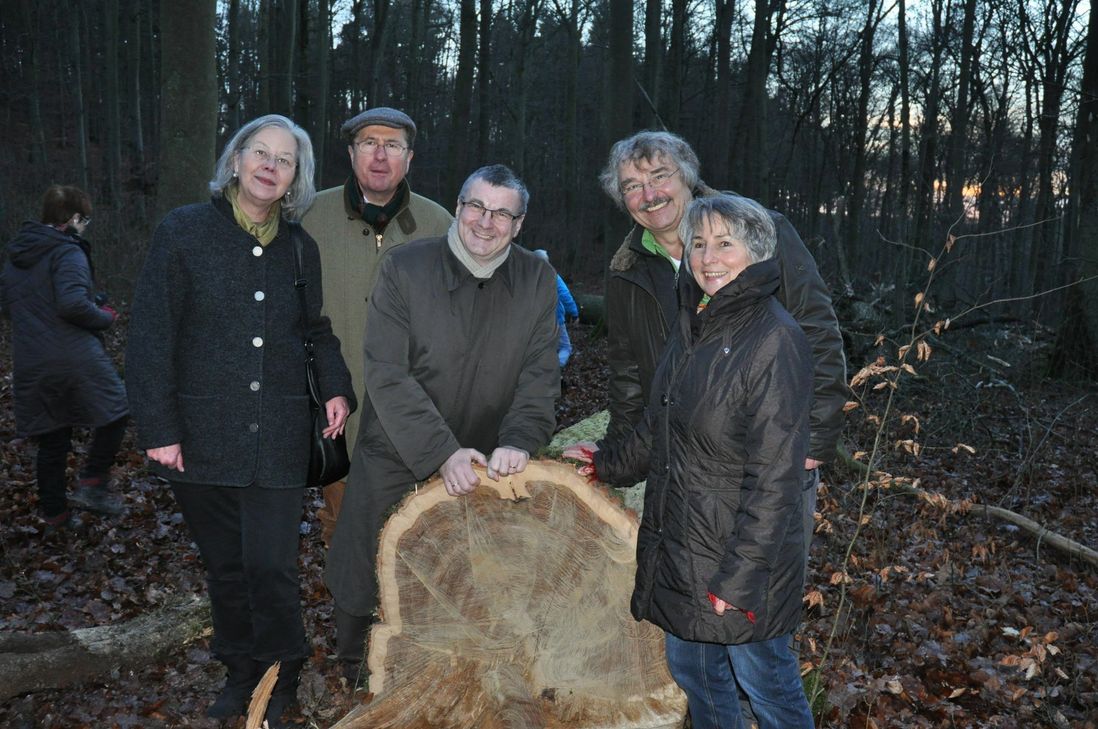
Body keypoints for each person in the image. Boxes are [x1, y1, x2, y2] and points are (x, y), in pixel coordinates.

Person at [125, 115, 355, 728]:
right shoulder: (183, 233)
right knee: (225, 565)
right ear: (234, 161)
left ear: (294, 179)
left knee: (272, 567)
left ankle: (282, 673)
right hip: (201, 437)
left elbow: (315, 331)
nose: (270, 165)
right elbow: (150, 338)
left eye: (285, 159)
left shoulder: (300, 247)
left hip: (279, 436)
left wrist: (336, 388)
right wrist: (159, 429)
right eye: (260, 152)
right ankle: (239, 668)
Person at [565, 194, 816, 728]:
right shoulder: (694, 325)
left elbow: (776, 482)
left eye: (726, 244)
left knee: (766, 684)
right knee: (694, 671)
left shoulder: (774, 340)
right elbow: (661, 426)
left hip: (740, 559)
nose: (708, 257)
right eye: (699, 243)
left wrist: (740, 579)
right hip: (685, 542)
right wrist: (604, 464)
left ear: (759, 254)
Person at [324, 164, 560, 684]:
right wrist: (439, 452)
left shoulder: (537, 278)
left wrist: (519, 439)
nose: (485, 222)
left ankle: (449, 671)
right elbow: (386, 371)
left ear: (519, 225)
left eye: (503, 213)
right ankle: (356, 670)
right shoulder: (405, 267)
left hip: (484, 451)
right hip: (397, 447)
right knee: (364, 561)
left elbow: (540, 374)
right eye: (476, 206)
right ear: (458, 207)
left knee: (468, 572)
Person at [584, 131, 846, 555]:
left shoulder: (764, 231)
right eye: (632, 186)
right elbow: (628, 374)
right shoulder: (625, 270)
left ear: (687, 176)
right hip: (682, 463)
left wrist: (815, 438)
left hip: (767, 456)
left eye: (659, 176)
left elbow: (818, 331)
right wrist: (615, 457)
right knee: (692, 588)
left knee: (760, 586)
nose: (649, 194)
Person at [302, 106, 452, 454]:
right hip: (331, 413)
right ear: (352, 153)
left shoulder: (441, 227)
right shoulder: (309, 218)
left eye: (393, 145)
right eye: (369, 142)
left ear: (409, 157)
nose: (381, 155)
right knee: (337, 509)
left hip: (413, 420)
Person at [0, 185, 128, 534]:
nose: (84, 226)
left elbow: (11, 306)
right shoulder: (67, 252)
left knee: (54, 438)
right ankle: (92, 482)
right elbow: (71, 305)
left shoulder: (16, 258)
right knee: (117, 409)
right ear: (72, 218)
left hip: (32, 360)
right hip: (72, 354)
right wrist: (105, 315)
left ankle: (56, 519)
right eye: (83, 219)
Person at [533, 248, 580, 367]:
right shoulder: (552, 276)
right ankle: (555, 370)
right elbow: (565, 295)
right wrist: (574, 314)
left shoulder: (528, 277)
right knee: (565, 347)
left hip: (534, 321)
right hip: (555, 319)